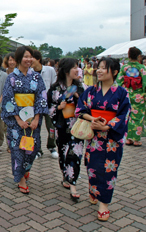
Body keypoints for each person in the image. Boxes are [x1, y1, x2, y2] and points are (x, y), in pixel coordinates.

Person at [76, 57, 131, 221]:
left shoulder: (122, 93)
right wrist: (91, 119)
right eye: (97, 67)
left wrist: (107, 127)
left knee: (109, 171)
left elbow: (124, 115)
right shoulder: (91, 91)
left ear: (114, 72)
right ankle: (94, 190)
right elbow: (80, 109)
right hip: (94, 137)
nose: (98, 71)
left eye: (103, 68)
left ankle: (104, 204)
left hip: (111, 139)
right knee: (92, 167)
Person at [1, 46, 48, 194]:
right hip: (17, 122)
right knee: (18, 150)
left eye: (31, 57)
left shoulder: (37, 77)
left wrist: (36, 118)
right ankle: (21, 178)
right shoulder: (11, 78)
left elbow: (41, 97)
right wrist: (18, 119)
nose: (29, 59)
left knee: (32, 149)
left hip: (33, 119)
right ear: (19, 58)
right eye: (26, 56)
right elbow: (8, 99)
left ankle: (25, 169)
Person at [47, 58, 85, 201]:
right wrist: (58, 108)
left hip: (77, 126)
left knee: (75, 154)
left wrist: (77, 97)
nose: (77, 70)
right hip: (62, 126)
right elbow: (49, 108)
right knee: (63, 154)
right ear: (66, 70)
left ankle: (73, 184)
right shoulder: (55, 88)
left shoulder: (80, 87)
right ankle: (65, 176)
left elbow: (88, 106)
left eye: (78, 67)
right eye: (74, 67)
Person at [32, 50, 59, 159]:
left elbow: (55, 85)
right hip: (35, 105)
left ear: (38, 59)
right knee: (36, 128)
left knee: (51, 127)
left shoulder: (50, 70)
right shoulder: (29, 72)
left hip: (49, 104)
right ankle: (37, 149)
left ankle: (52, 146)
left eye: (32, 58)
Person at [117, 46, 146, 147]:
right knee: (138, 117)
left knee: (128, 116)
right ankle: (136, 140)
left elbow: (119, 81)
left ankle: (129, 139)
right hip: (139, 96)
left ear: (129, 56)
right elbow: (145, 82)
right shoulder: (142, 68)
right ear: (139, 56)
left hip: (126, 95)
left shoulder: (124, 68)